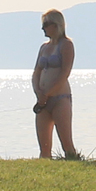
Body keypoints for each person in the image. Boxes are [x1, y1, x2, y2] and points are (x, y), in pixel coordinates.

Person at [32, 10, 78, 158]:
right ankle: (45, 168)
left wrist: (48, 94)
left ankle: (73, 163)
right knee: (44, 148)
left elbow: (64, 73)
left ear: (56, 25)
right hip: (43, 101)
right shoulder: (44, 47)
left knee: (67, 144)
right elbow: (36, 73)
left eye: (46, 24)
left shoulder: (66, 45)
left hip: (60, 99)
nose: (43, 28)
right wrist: (38, 92)